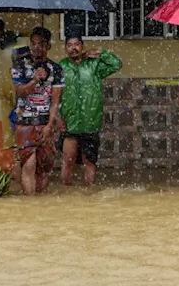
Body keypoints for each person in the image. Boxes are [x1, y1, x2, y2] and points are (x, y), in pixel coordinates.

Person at [58, 35, 122, 186]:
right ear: (65, 49)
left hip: (91, 122)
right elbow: (54, 94)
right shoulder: (61, 67)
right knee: (68, 160)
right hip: (70, 122)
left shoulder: (94, 65)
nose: (73, 48)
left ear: (82, 46)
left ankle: (89, 193)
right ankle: (65, 194)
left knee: (90, 161)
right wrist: (58, 118)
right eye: (69, 45)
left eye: (77, 44)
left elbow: (117, 64)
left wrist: (101, 53)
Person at [11, 26, 64, 195]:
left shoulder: (56, 69)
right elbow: (19, 91)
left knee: (44, 168)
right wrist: (34, 79)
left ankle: (39, 206)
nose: (35, 47)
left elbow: (55, 101)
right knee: (28, 164)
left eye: (40, 44)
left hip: (45, 124)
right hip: (24, 123)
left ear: (48, 46)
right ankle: (29, 205)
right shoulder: (20, 64)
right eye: (33, 43)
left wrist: (50, 124)